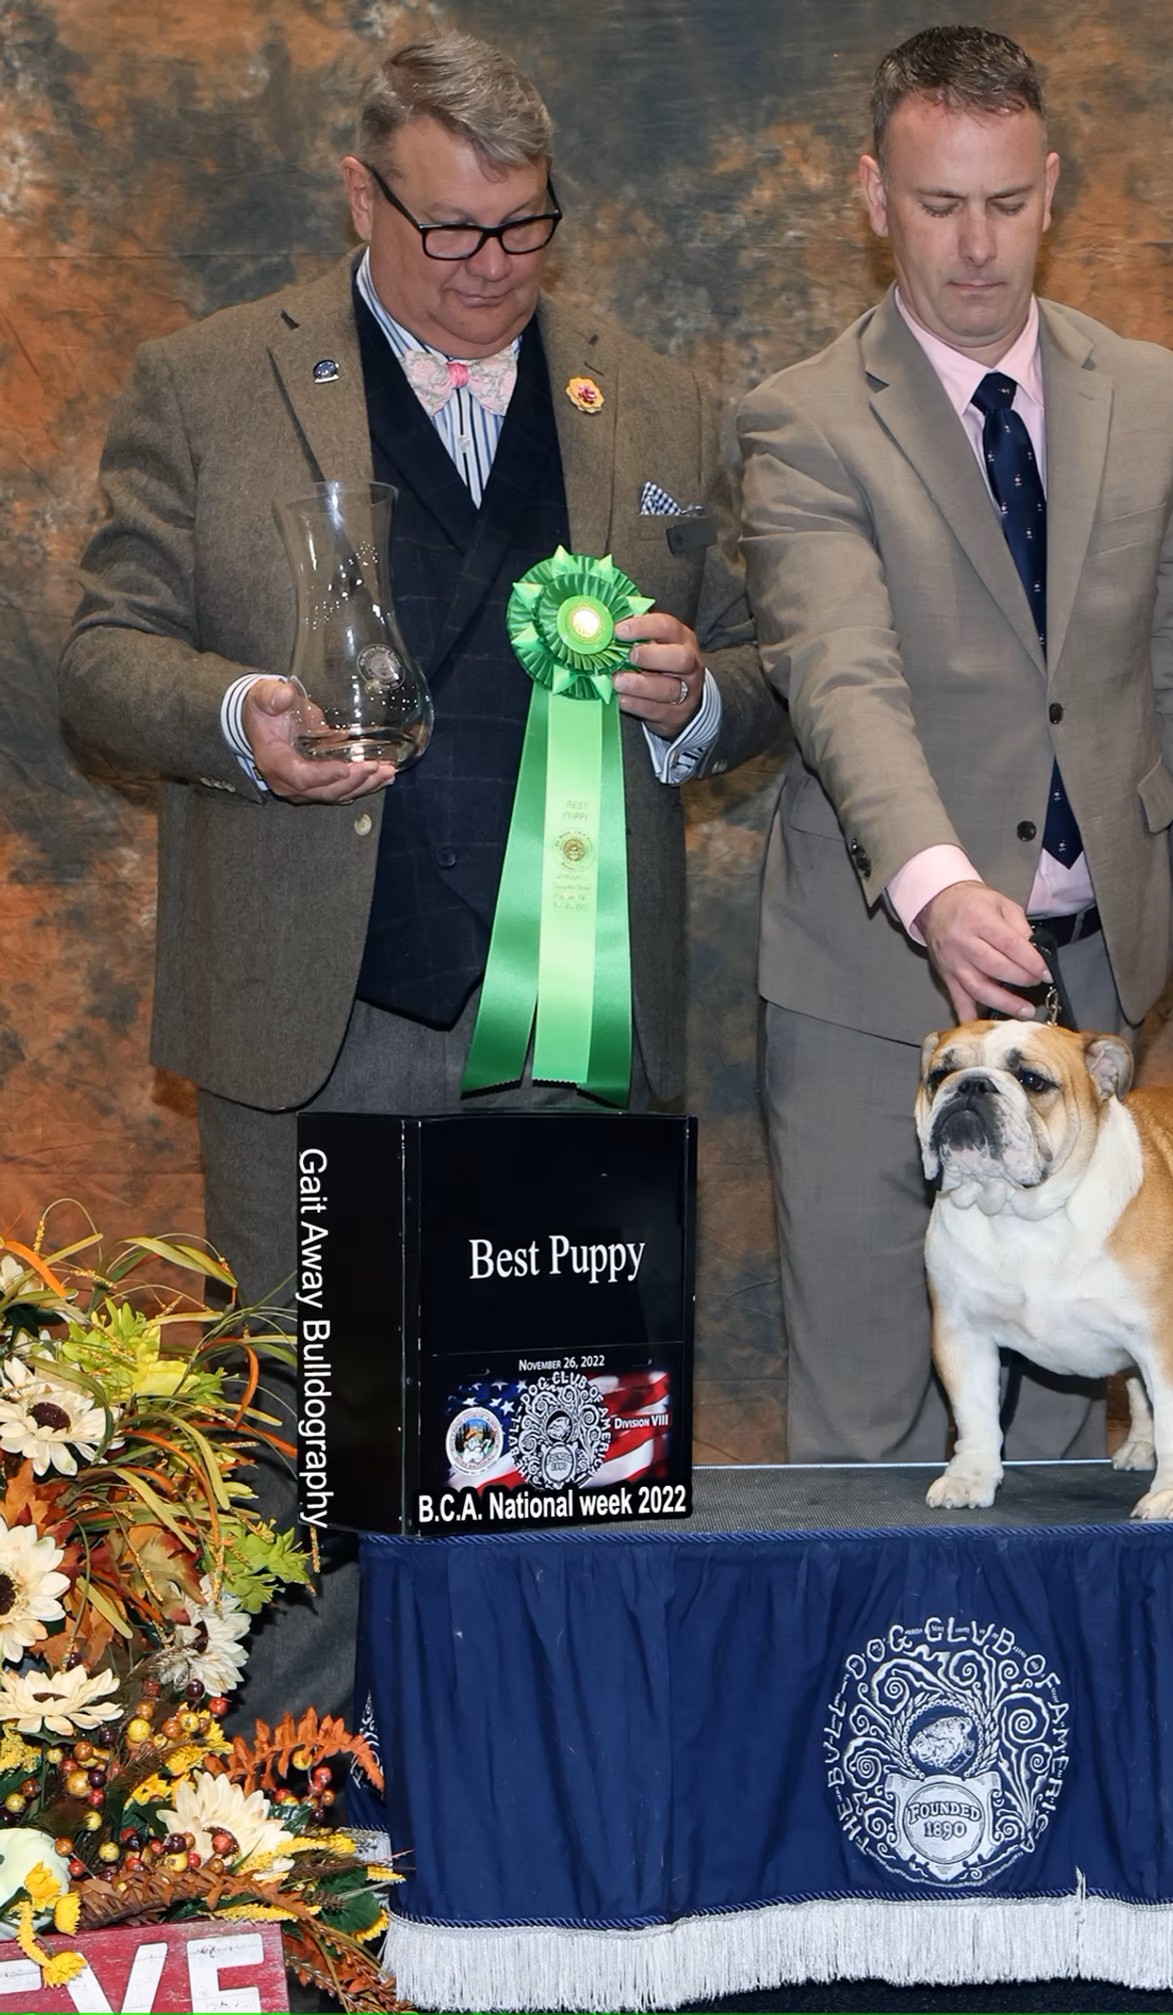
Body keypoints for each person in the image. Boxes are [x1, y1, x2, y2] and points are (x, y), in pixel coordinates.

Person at [58, 31, 782, 1713]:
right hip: (317, 1014)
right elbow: (101, 654)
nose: (493, 270)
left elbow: (766, 664)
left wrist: (699, 700)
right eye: (452, 230)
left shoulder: (657, 391)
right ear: (359, 194)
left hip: (574, 1037)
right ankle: (292, 1842)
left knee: (564, 1451)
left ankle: (562, 1832)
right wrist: (239, 712)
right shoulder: (207, 377)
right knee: (303, 1473)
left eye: (526, 227)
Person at [738, 26, 1173, 1466]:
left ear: (1053, 190)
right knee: (869, 1415)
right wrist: (937, 882)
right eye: (935, 204)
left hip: (1099, 991)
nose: (976, 247)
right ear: (870, 196)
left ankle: (1035, 1703)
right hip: (876, 1000)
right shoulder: (802, 422)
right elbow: (842, 679)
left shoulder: (1152, 396)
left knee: (1057, 1437)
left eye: (1006, 203)